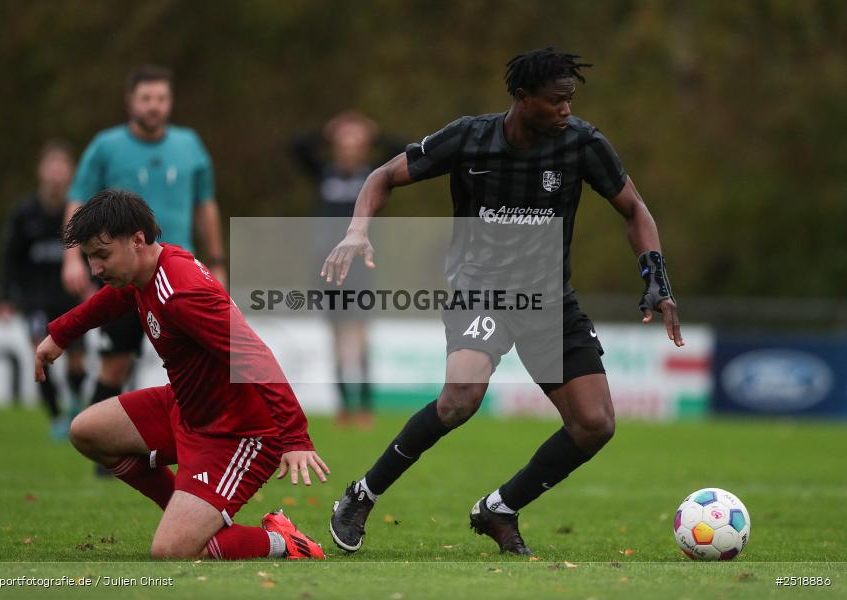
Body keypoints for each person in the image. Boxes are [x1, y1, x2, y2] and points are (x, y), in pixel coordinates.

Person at [322, 47, 683, 556]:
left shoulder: (582, 143)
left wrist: (655, 275)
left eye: (570, 100)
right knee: (460, 399)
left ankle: (500, 508)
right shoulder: (470, 138)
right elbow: (382, 176)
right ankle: (362, 494)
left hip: (550, 301)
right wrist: (358, 231)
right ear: (521, 97)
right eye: (555, 101)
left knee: (594, 424)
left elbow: (634, 209)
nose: (565, 111)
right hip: (481, 292)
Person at [36, 189, 329, 559]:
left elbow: (254, 356)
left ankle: (284, 543)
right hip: (189, 409)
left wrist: (295, 437)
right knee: (87, 431)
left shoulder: (182, 292)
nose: (95, 269)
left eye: (102, 255)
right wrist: (61, 333)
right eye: (90, 257)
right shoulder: (147, 272)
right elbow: (115, 299)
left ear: (138, 240)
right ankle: (186, 512)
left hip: (238, 432)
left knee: (171, 552)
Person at [61, 65, 227, 466]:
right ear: (130, 101)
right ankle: (104, 453)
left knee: (203, 365)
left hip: (177, 273)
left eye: (161, 99)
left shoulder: (189, 144)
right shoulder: (106, 146)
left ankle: (211, 443)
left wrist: (217, 261)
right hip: (125, 277)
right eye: (146, 98)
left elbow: (205, 205)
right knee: (116, 362)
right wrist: (73, 258)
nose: (154, 107)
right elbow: (79, 200)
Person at [290, 111, 404, 428]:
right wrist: (327, 132)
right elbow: (296, 147)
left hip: (361, 266)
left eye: (356, 139)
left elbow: (406, 149)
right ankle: (344, 406)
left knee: (361, 336)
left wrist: (374, 132)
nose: (350, 145)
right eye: (344, 139)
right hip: (327, 267)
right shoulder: (324, 174)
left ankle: (366, 407)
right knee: (337, 337)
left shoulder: (374, 176)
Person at [0, 140, 86, 439]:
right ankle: (56, 417)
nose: (57, 174)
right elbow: (10, 258)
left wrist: (95, 286)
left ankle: (74, 400)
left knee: (77, 359)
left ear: (71, 172)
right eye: (52, 166)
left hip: (70, 296)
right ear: (41, 171)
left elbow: (93, 253)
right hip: (36, 298)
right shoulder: (25, 214)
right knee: (40, 354)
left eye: (63, 167)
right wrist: (6, 297)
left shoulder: (78, 213)